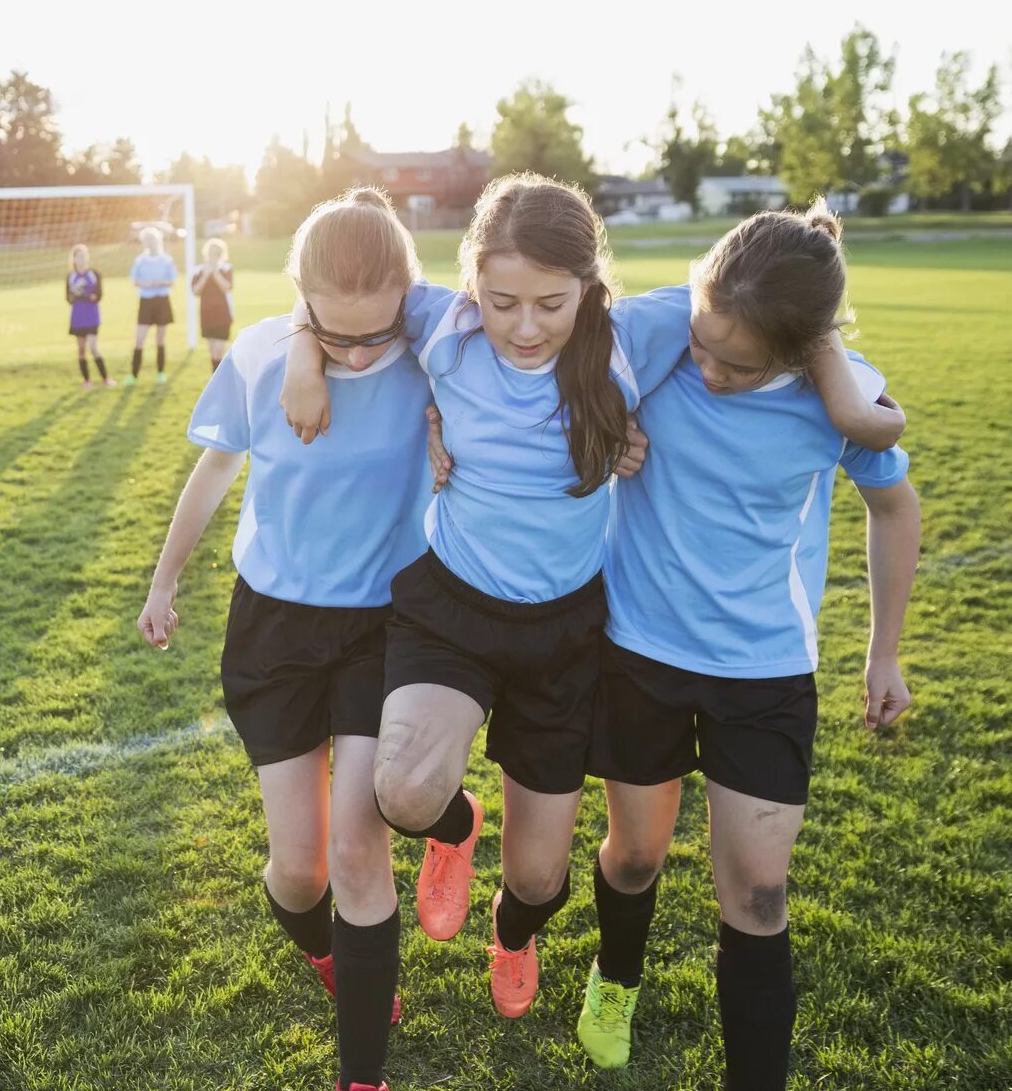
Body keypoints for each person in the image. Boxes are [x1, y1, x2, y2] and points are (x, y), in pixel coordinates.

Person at [278, 175, 901, 1024]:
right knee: (405, 793)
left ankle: (514, 929)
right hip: (452, 604)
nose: (523, 326)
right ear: (470, 284)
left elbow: (769, 294)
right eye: (500, 301)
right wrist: (301, 362)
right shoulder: (442, 324)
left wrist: (843, 397)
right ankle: (455, 829)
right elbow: (338, 309)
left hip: (570, 629)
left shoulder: (635, 333)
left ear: (590, 286)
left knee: (539, 881)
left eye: (549, 302)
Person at [573, 202, 918, 1091]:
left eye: (734, 363)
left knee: (759, 895)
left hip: (765, 671)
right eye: (703, 344)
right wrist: (611, 423)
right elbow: (549, 365)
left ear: (800, 348)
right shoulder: (667, 332)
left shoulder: (841, 397)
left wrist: (884, 649)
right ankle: (615, 978)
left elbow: (892, 503)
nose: (708, 368)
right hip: (637, 649)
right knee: (634, 856)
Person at [139, 188, 432, 1091]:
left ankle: (364, 1088)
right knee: (299, 874)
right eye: (332, 333)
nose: (356, 355)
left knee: (358, 854)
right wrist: (165, 579)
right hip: (271, 627)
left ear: (411, 291)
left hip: (382, 627)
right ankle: (345, 950)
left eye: (374, 332)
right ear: (299, 297)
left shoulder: (435, 341)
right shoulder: (264, 352)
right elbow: (215, 472)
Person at [126, 226, 178, 385]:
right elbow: (135, 281)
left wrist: (161, 282)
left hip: (162, 300)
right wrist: (146, 284)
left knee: (160, 339)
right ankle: (133, 375)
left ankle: (161, 373)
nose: (151, 243)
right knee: (139, 339)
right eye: (147, 240)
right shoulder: (140, 260)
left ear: (158, 241)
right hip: (146, 301)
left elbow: (172, 280)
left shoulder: (167, 260)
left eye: (153, 240)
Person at [65, 244, 113, 387]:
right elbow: (68, 297)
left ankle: (105, 378)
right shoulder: (71, 277)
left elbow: (99, 295)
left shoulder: (94, 274)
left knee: (93, 346)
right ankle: (87, 381)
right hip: (78, 316)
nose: (82, 259)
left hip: (91, 315)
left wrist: (92, 297)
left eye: (84, 256)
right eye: (79, 256)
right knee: (81, 349)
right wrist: (75, 296)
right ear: (74, 259)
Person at [190, 237, 235, 369]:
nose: (213, 255)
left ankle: (219, 379)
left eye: (217, 253)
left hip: (222, 314)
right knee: (212, 351)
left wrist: (215, 272)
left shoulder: (226, 269)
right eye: (211, 252)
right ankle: (215, 380)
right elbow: (195, 291)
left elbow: (226, 287)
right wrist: (205, 275)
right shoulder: (199, 270)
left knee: (219, 351)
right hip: (207, 314)